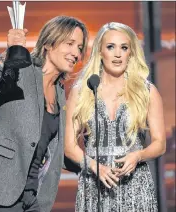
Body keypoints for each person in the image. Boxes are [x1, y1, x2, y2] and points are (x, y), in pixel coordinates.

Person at [0, 16, 88, 212]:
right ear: (48, 43)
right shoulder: (22, 68)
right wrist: (8, 53)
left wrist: (97, 165)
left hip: (34, 197)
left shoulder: (61, 93)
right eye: (70, 43)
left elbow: (60, 152)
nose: (76, 53)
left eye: (79, 47)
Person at [64, 22, 166, 212]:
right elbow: (69, 147)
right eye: (111, 47)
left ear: (131, 53)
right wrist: (95, 166)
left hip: (135, 186)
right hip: (94, 186)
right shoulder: (82, 92)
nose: (118, 54)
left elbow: (160, 143)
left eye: (124, 48)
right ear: (100, 52)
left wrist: (138, 155)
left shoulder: (147, 92)